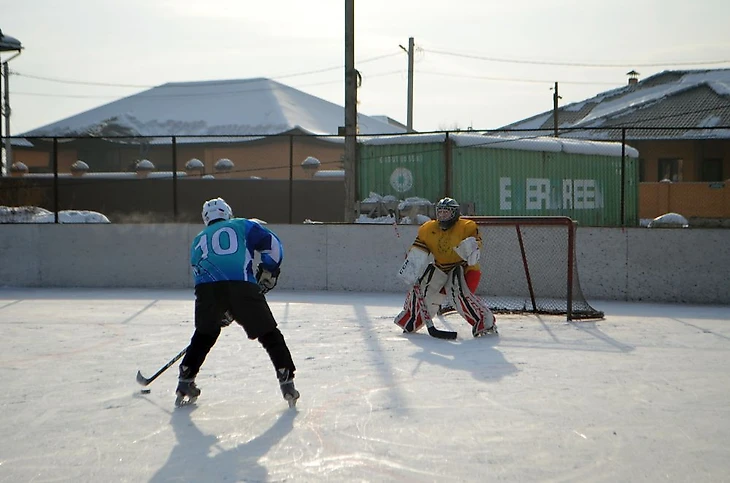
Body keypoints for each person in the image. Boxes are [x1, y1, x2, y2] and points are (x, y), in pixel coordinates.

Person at [175, 197, 299, 408]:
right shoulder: (243, 224)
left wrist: (219, 309)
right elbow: (273, 246)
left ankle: (186, 378)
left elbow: (198, 270)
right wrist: (269, 270)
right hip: (241, 286)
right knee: (269, 334)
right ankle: (286, 378)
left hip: (206, 290)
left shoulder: (198, 238)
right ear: (228, 213)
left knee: (205, 334)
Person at [394, 197, 496, 337]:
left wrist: (471, 247)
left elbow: (476, 246)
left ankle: (485, 323)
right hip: (441, 268)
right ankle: (411, 320)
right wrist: (412, 262)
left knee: (458, 295)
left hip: (464, 268)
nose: (442, 216)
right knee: (424, 290)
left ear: (454, 213)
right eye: (440, 212)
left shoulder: (467, 227)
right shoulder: (428, 229)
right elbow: (419, 249)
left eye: (446, 213)